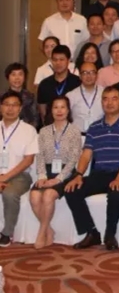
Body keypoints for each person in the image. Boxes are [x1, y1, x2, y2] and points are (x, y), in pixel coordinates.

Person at [65, 86, 119, 250]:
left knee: (116, 193)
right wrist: (78, 175)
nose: (109, 103)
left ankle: (110, 235)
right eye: (105, 99)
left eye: (114, 99)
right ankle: (91, 233)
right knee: (71, 189)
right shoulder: (94, 127)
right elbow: (86, 154)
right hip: (99, 173)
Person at [29, 95, 82, 248]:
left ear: (68, 110)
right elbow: (39, 156)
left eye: (62, 107)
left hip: (66, 173)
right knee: (34, 196)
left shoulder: (74, 131)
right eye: (55, 107)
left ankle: (41, 233)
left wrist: (58, 179)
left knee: (48, 195)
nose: (59, 111)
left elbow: (73, 159)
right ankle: (49, 230)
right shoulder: (44, 131)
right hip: (46, 171)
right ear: (51, 110)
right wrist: (42, 176)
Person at [0, 92, 38, 246]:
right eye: (6, 104)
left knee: (9, 194)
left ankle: (6, 233)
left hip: (19, 176)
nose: (10, 109)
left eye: (14, 105)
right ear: (1, 107)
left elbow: (28, 160)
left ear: (20, 108)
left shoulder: (29, 130)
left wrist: (5, 177)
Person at [36, 45, 81, 118]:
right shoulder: (44, 84)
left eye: (61, 60)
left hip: (73, 123)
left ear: (68, 61)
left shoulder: (78, 82)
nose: (58, 63)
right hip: (50, 123)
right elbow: (43, 112)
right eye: (55, 60)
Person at [66, 62, 104, 132]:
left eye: (92, 72)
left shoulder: (104, 93)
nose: (88, 76)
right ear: (80, 76)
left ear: (97, 75)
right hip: (78, 135)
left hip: (100, 134)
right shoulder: (71, 95)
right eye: (85, 73)